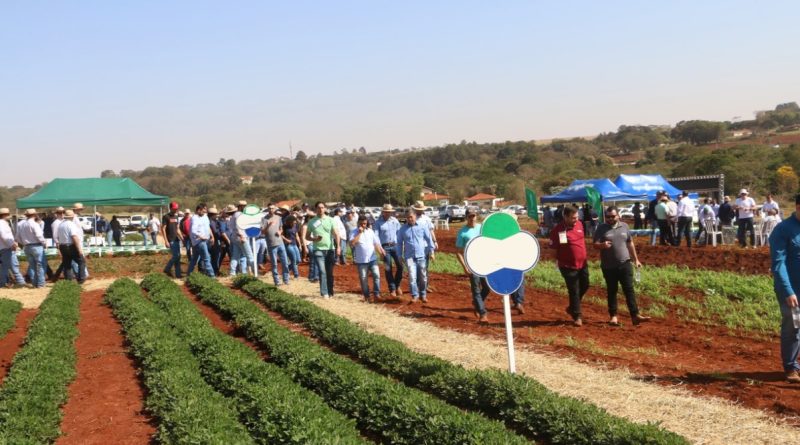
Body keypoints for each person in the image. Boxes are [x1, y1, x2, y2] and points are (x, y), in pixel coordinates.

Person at [593, 206, 650, 326]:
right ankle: (613, 316)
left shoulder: (624, 226)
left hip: (625, 263)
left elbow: (630, 243)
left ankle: (635, 315)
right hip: (609, 266)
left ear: (618, 215)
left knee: (629, 290)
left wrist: (636, 260)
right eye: (607, 217)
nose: (610, 219)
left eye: (612, 216)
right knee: (612, 291)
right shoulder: (601, 228)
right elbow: (595, 245)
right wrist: (602, 245)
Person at [768, 193, 800, 383]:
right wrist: (788, 290)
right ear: (798, 207)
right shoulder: (783, 230)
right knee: (794, 326)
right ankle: (790, 368)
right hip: (792, 289)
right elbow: (778, 264)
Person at [549, 205, 589, 326]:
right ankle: (577, 316)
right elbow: (553, 250)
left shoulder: (580, 225)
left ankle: (572, 307)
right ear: (565, 217)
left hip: (582, 264)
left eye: (577, 217)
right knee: (574, 290)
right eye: (573, 218)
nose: (576, 220)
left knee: (585, 285)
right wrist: (557, 263)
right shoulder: (557, 230)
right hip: (567, 265)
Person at [456, 208, 491, 322]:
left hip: (484, 262)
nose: (472, 218)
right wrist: (465, 266)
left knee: (487, 287)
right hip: (471, 263)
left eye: (474, 216)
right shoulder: (463, 232)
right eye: (470, 216)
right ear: (466, 217)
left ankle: (476, 303)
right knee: (476, 289)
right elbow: (458, 252)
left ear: (476, 216)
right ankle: (482, 313)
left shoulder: (482, 228)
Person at [398, 210, 435, 303]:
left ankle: (423, 294)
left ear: (415, 216)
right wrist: (399, 255)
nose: (410, 219)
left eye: (411, 217)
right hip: (409, 258)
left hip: (421, 256)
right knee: (412, 277)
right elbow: (399, 243)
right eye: (408, 217)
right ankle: (415, 295)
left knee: (423, 276)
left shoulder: (422, 226)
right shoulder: (402, 229)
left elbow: (429, 239)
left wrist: (432, 251)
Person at [306, 202, 340, 298]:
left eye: (322, 207)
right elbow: (307, 236)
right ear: (315, 209)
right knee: (322, 271)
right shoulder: (312, 222)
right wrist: (314, 239)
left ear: (325, 208)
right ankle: (324, 293)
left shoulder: (331, 220)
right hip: (318, 250)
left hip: (330, 249)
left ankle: (330, 292)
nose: (321, 209)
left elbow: (336, 234)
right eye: (319, 208)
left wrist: (338, 247)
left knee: (329, 273)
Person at [350, 215, 385, 302]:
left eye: (365, 223)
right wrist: (359, 233)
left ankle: (376, 293)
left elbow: (376, 243)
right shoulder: (354, 232)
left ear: (367, 223)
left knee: (376, 275)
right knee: (363, 278)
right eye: (361, 223)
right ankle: (367, 296)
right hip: (361, 260)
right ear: (358, 223)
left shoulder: (370, 231)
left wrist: (380, 252)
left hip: (372, 258)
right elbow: (352, 243)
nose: (363, 225)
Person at [374, 204, 403, 297]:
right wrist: (380, 249)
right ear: (383, 212)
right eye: (387, 212)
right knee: (388, 268)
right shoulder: (378, 223)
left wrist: (401, 245)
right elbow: (376, 237)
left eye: (390, 212)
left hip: (395, 246)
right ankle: (392, 289)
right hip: (385, 248)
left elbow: (399, 233)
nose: (388, 213)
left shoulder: (395, 221)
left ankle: (397, 285)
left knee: (400, 266)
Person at [16, 209, 46, 288]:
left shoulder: (21, 224)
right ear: (34, 215)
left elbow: (17, 237)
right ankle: (40, 284)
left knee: (32, 265)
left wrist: (23, 243)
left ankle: (34, 283)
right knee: (40, 265)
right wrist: (44, 243)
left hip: (27, 246)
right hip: (36, 246)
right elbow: (39, 235)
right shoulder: (34, 224)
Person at [412, 201, 438, 293]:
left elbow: (431, 231)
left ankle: (424, 286)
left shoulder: (426, 219)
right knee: (417, 267)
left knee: (425, 267)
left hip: (426, 246)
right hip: (416, 246)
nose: (419, 211)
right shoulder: (412, 219)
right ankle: (418, 286)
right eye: (418, 209)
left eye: (421, 210)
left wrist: (434, 241)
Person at [263, 204, 290, 286]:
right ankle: (277, 281)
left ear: (275, 209)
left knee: (285, 262)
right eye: (269, 208)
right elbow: (263, 232)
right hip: (271, 244)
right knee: (274, 263)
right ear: (268, 209)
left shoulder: (278, 218)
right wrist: (268, 225)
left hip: (280, 243)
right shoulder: (264, 219)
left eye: (272, 208)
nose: (271, 209)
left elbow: (281, 228)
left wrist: (280, 231)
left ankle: (286, 280)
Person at [56, 210, 85, 283]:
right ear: (72, 217)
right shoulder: (71, 224)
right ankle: (81, 279)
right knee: (81, 261)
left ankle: (68, 281)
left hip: (62, 246)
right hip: (70, 246)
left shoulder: (61, 225)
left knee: (67, 264)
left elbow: (58, 237)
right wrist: (79, 249)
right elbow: (74, 237)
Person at [187, 203, 215, 277]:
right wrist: (201, 237)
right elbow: (193, 230)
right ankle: (212, 276)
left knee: (194, 260)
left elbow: (208, 227)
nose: (205, 211)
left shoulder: (205, 217)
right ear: (198, 210)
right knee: (206, 258)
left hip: (203, 241)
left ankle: (189, 275)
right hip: (199, 241)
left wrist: (212, 236)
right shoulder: (194, 218)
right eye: (203, 210)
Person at [0, 208, 25, 288]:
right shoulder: (2, 224)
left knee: (7, 266)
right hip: (6, 248)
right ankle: (20, 282)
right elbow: (4, 236)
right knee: (11, 266)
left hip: (5, 247)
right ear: (4, 215)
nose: (9, 216)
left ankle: (4, 283)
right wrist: (12, 245)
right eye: (7, 214)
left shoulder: (4, 223)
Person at [160, 202, 184, 278]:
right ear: (170, 208)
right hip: (171, 239)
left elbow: (177, 229)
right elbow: (163, 229)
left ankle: (178, 274)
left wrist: (182, 238)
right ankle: (167, 268)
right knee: (176, 256)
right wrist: (166, 241)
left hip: (176, 239)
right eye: (174, 209)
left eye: (177, 208)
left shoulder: (176, 217)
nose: (176, 210)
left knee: (178, 257)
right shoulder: (166, 217)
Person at [281, 210, 302, 279]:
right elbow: (281, 235)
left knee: (298, 260)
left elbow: (297, 236)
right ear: (290, 221)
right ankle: (296, 275)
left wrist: (300, 245)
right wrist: (286, 240)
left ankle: (286, 270)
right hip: (288, 245)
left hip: (295, 244)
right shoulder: (285, 227)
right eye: (294, 221)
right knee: (294, 260)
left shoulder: (295, 226)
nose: (295, 222)